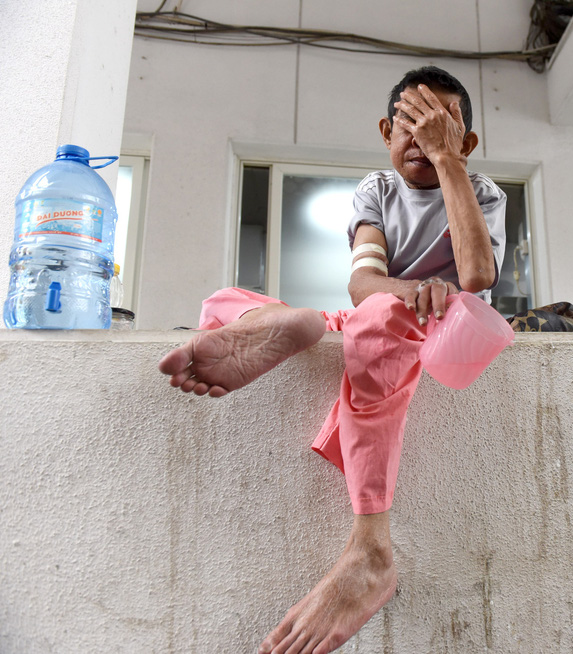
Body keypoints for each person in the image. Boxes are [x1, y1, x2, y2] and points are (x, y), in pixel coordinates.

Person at [157, 66, 506, 654]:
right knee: (229, 302)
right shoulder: (377, 191)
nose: (421, 140)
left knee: (375, 327)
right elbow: (364, 283)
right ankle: (290, 324)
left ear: (465, 142)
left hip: (445, 330)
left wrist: (452, 167)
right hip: (379, 310)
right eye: (408, 125)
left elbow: (475, 276)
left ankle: (371, 545)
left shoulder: (482, 191)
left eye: (439, 127)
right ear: (384, 132)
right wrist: (404, 291)